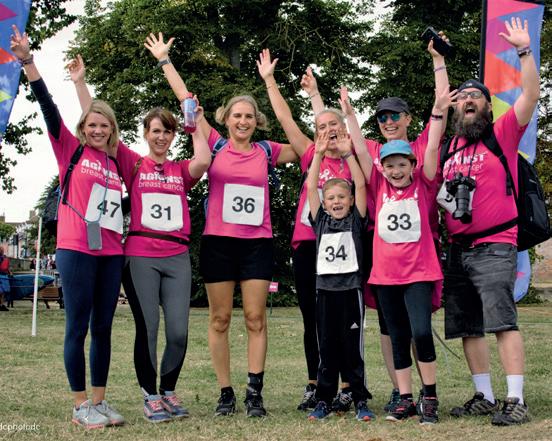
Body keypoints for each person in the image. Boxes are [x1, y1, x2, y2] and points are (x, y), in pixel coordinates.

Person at [145, 33, 298, 417]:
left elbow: (303, 146)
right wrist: (165, 61)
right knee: (219, 318)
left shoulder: (267, 151)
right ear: (226, 119)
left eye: (249, 116)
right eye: (237, 115)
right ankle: (226, 392)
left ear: (256, 121)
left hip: (257, 244)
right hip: (218, 243)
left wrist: (270, 83)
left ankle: (254, 392)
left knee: (255, 318)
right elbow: (186, 100)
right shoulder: (214, 144)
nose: (243, 121)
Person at [68, 54, 211, 423]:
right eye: (155, 131)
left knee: (178, 331)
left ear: (173, 135)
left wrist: (195, 123)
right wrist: (81, 84)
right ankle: (150, 396)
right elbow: (96, 124)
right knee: (148, 328)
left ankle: (168, 390)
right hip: (140, 255)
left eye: (167, 131)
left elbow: (204, 160)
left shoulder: (180, 170)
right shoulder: (132, 163)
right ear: (146, 134)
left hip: (177, 256)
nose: (161, 137)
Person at [11, 26, 125, 429]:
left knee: (103, 327)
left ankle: (100, 401)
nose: (97, 130)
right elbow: (48, 107)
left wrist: (83, 85)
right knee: (77, 327)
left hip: (111, 252)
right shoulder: (70, 150)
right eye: (91, 125)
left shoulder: (114, 161)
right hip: (76, 250)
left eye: (104, 126)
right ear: (82, 128)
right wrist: (29, 62)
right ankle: (80, 405)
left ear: (112, 130)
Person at [440, 17, 539, 426]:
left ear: (486, 105)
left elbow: (530, 95)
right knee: (468, 326)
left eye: (475, 97)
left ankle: (516, 399)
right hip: (458, 249)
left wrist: (524, 51)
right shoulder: (449, 147)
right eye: (462, 97)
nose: (467, 101)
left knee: (501, 321)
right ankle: (484, 395)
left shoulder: (502, 133)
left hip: (496, 244)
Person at [257, 48, 359, 413]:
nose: (328, 132)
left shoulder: (354, 159)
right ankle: (315, 383)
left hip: (343, 249)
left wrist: (324, 102)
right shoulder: (307, 154)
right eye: (321, 127)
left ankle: (347, 386)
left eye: (335, 126)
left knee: (344, 318)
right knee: (311, 318)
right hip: (307, 245)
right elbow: (284, 117)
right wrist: (270, 81)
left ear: (344, 130)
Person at [354, 86, 453, 425]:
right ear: (382, 169)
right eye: (390, 166)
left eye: (401, 164)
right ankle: (406, 399)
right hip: (385, 276)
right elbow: (361, 150)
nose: (396, 171)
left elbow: (434, 140)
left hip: (420, 272)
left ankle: (430, 397)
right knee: (397, 337)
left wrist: (439, 108)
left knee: (421, 332)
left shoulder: (423, 184)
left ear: (412, 164)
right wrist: (349, 115)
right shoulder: (378, 185)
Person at [304, 127, 374, 422]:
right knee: (327, 348)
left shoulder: (356, 220)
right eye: (331, 197)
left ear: (350, 200)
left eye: (341, 197)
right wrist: (318, 155)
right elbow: (311, 188)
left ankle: (360, 399)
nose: (336, 201)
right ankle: (323, 399)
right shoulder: (320, 221)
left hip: (350, 292)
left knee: (352, 349)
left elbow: (361, 183)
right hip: (325, 292)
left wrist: (347, 154)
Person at [0, 246, 10, 311]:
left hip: (4, 275)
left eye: (2, 250)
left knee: (4, 292)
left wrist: (9, 272)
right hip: (1, 276)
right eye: (1, 250)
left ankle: (2, 304)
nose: (2, 251)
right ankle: (1, 304)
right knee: (1, 292)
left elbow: (6, 267)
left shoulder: (4, 257)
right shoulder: (2, 258)